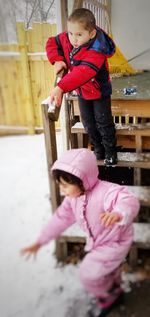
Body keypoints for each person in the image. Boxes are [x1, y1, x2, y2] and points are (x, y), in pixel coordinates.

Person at [21, 148, 140, 317]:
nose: (62, 190)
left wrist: (118, 213)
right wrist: (40, 241)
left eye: (65, 185)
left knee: (88, 275)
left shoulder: (106, 191)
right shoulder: (73, 199)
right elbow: (60, 218)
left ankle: (110, 296)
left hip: (115, 242)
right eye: (60, 185)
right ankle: (115, 286)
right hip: (99, 240)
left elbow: (128, 200)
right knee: (107, 269)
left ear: (82, 181)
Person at [46, 8, 118, 166]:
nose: (73, 39)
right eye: (71, 33)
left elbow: (82, 73)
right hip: (82, 91)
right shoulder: (69, 37)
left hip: (99, 92)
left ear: (91, 34)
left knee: (103, 121)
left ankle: (111, 152)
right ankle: (98, 149)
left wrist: (60, 87)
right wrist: (57, 59)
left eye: (79, 35)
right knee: (88, 123)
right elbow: (52, 42)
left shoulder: (97, 50)